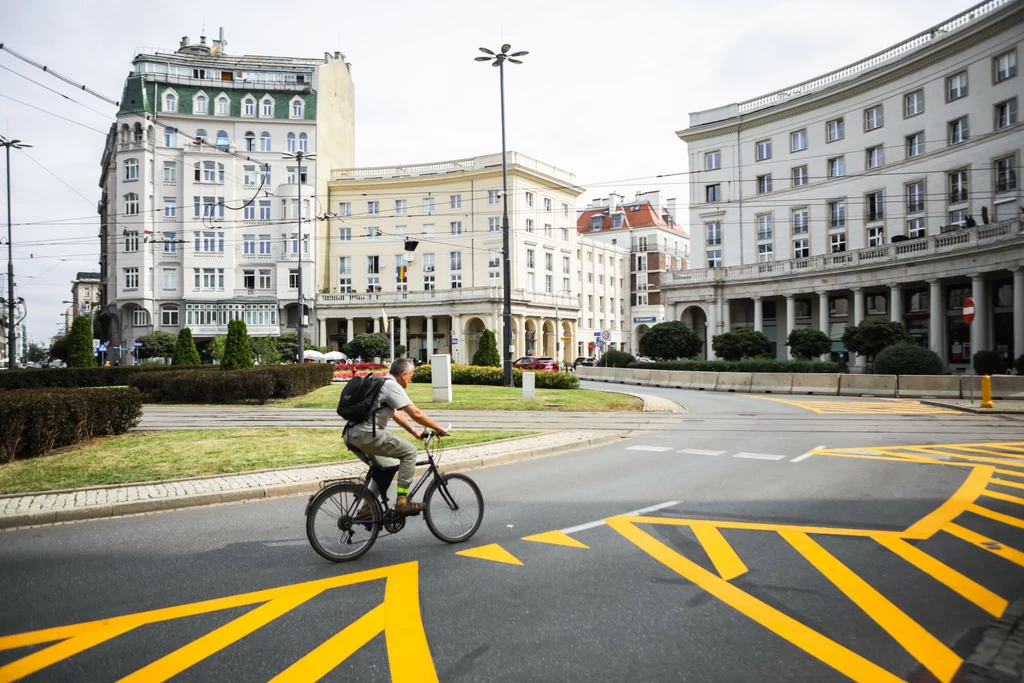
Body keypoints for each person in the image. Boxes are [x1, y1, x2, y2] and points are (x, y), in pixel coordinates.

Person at [344, 357, 449, 515]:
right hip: (368, 434)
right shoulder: (392, 385)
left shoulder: (380, 381)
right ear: (404, 374)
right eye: (411, 377)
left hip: (351, 434)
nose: (410, 381)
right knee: (410, 452)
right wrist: (438, 428)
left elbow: (396, 414)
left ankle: (368, 508)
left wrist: (414, 432)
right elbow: (416, 413)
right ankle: (402, 501)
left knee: (386, 467)